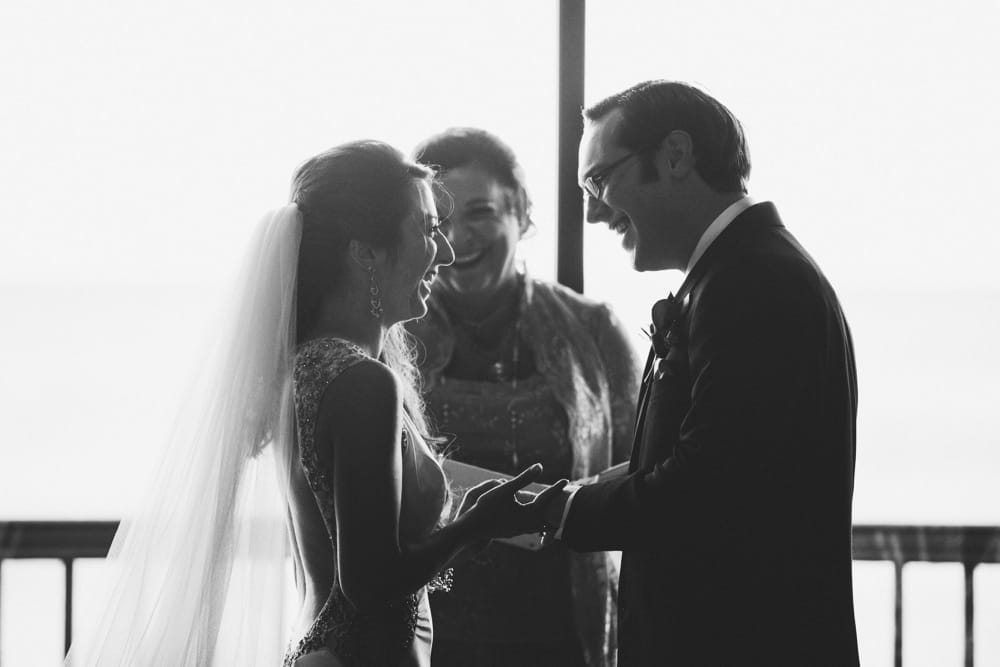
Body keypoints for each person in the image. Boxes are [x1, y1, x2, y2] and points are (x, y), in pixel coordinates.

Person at [65, 140, 563, 667]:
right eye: (427, 229)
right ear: (365, 251)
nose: (445, 250)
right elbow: (370, 584)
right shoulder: (363, 382)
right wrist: (475, 526)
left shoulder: (304, 367)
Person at [540, 81, 861, 666]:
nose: (591, 211)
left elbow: (707, 489)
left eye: (598, 180)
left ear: (675, 157)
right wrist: (577, 490)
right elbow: (715, 456)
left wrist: (557, 513)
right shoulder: (740, 272)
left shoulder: (754, 283)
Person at [406, 128, 641, 667]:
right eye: (438, 222)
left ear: (523, 215)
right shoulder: (392, 340)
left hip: (563, 636)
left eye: (481, 213)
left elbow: (639, 472)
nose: (458, 238)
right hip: (427, 640)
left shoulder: (594, 331)